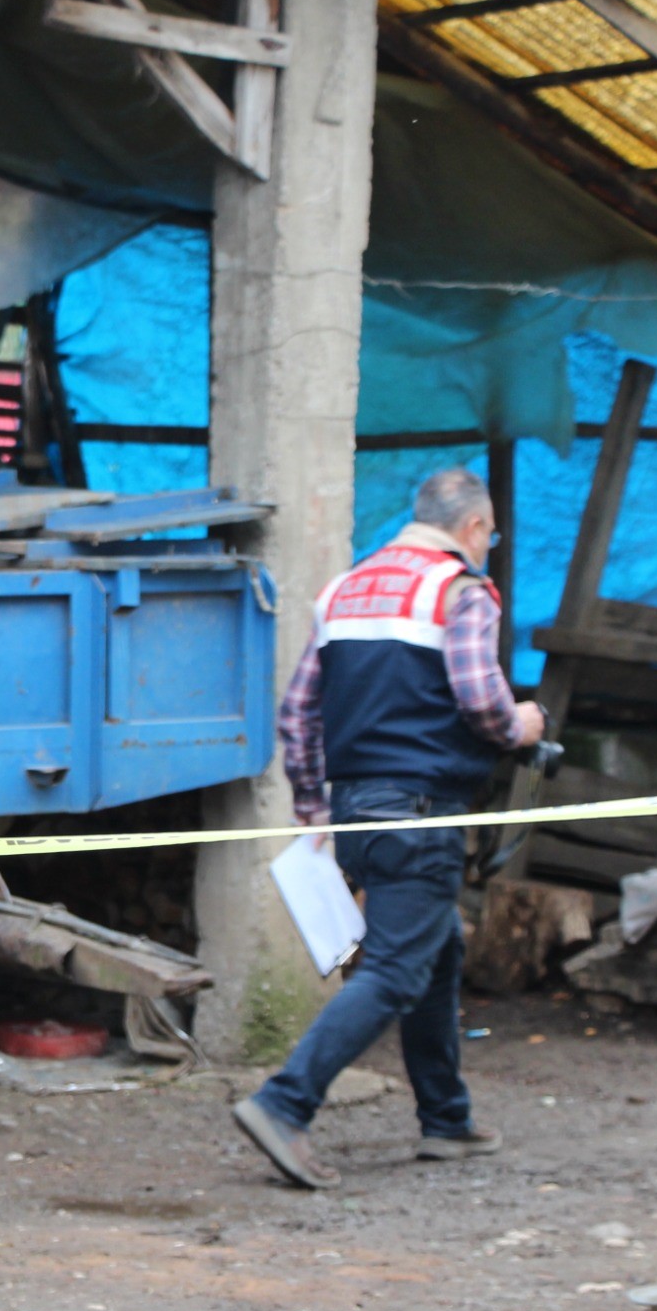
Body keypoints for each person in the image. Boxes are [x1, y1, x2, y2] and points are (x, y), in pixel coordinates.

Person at [232, 467, 546, 1191]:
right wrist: (522, 726)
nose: (488, 547)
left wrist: (312, 805)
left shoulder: (344, 590)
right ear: (474, 527)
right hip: (422, 811)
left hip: (357, 812)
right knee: (395, 970)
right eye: (490, 535)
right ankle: (284, 1104)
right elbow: (481, 700)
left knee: (437, 946)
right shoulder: (460, 591)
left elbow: (297, 712)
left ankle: (446, 1118)